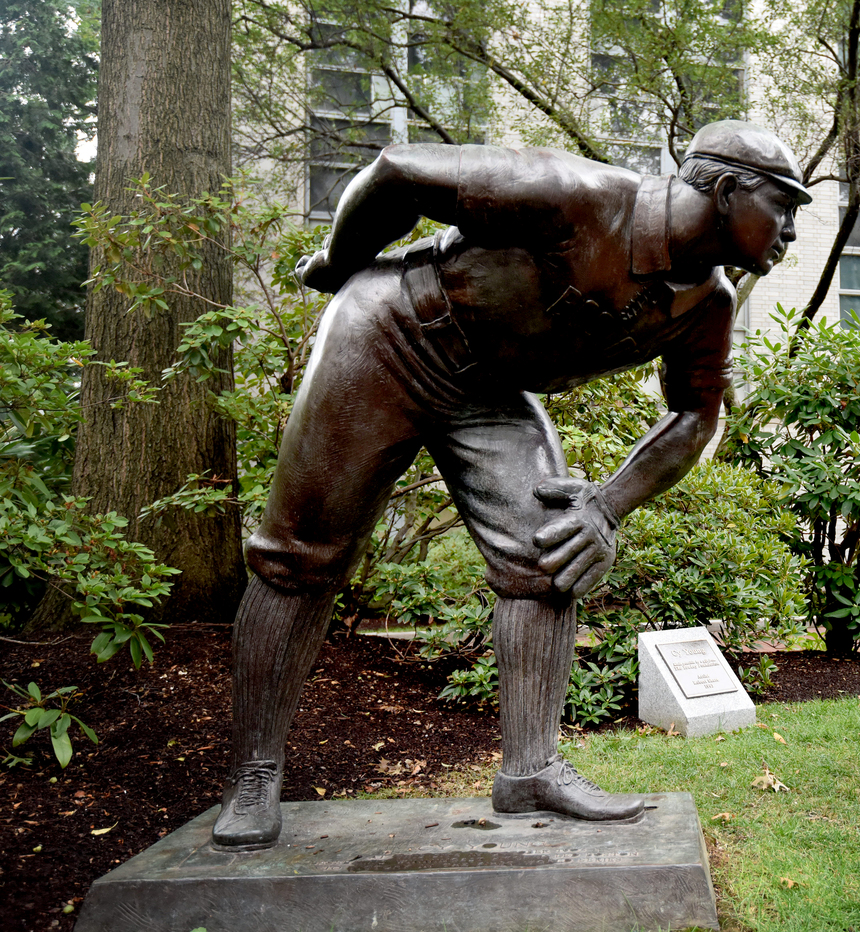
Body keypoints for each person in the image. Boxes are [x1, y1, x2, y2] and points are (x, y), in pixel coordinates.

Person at [211, 121, 811, 851]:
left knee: (548, 555)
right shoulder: (581, 196)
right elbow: (398, 170)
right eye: (783, 206)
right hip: (391, 336)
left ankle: (530, 771)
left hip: (489, 392)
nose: (788, 231)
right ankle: (254, 775)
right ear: (724, 190)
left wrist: (606, 504)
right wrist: (339, 265)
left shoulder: (707, 305)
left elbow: (694, 415)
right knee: (299, 559)